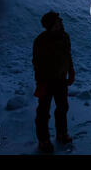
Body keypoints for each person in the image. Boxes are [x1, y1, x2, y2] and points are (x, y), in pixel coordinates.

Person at [32, 11, 75, 153]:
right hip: (46, 81)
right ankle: (43, 140)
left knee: (62, 108)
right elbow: (37, 62)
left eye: (60, 21)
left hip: (61, 80)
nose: (61, 23)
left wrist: (71, 72)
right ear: (51, 25)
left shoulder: (65, 37)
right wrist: (40, 82)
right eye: (57, 21)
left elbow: (68, 56)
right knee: (44, 112)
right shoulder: (41, 40)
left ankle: (62, 133)